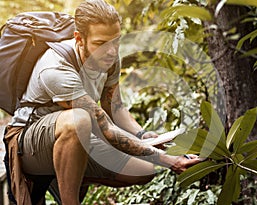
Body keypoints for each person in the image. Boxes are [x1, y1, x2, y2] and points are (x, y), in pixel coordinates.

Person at [5, 0, 201, 204]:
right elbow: (102, 124)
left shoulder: (109, 58)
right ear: (79, 39)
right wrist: (169, 161)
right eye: (101, 43)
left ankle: (64, 171)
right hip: (28, 144)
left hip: (77, 138)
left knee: (144, 170)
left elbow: (115, 108)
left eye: (116, 41)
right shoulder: (55, 66)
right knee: (78, 119)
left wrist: (143, 135)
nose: (111, 50)